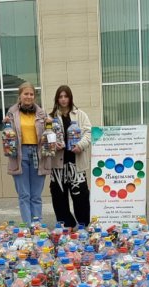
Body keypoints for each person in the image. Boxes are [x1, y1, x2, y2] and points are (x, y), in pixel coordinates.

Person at [3, 82, 52, 224]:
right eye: (26, 94)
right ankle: (28, 227)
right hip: (20, 154)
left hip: (38, 154)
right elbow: (8, 136)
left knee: (36, 195)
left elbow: (49, 134)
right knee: (24, 195)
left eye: (31, 94)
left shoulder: (42, 114)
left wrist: (50, 124)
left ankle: (37, 226)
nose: (29, 97)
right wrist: (5, 124)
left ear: (34, 97)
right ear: (20, 95)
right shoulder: (11, 113)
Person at [49, 85, 92, 229]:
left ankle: (83, 225)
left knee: (81, 197)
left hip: (76, 163)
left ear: (70, 97)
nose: (63, 99)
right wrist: (53, 145)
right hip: (58, 165)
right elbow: (46, 137)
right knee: (59, 198)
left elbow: (89, 133)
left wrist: (80, 145)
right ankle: (67, 225)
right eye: (60, 97)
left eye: (65, 96)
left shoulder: (80, 114)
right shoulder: (51, 117)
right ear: (57, 99)